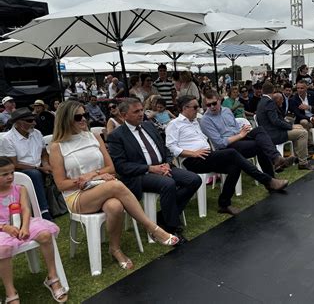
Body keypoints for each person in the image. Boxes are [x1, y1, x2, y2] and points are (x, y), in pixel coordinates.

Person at [49, 100, 180, 270]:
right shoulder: (57, 147)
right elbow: (61, 184)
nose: (83, 120)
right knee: (115, 186)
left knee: (115, 207)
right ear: (65, 119)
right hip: (77, 196)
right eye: (78, 117)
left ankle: (115, 249)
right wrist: (88, 178)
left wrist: (94, 174)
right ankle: (152, 228)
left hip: (101, 187)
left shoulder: (94, 137)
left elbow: (111, 168)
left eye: (86, 115)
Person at [166, 95, 289, 215]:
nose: (198, 109)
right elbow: (171, 147)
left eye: (198, 106)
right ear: (184, 108)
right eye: (195, 107)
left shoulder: (194, 122)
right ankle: (267, 180)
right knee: (232, 153)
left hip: (208, 155)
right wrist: (193, 153)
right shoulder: (175, 124)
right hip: (193, 159)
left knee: (234, 167)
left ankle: (224, 204)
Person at [107, 98, 201, 236]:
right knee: (168, 183)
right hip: (140, 175)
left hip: (163, 167)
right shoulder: (116, 136)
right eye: (136, 111)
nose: (141, 114)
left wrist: (167, 164)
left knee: (194, 180)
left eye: (141, 110)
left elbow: (165, 149)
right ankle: (172, 228)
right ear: (123, 114)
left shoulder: (148, 126)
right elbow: (121, 167)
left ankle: (163, 216)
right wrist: (150, 169)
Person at [0, 157, 68, 304]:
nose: (10, 177)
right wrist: (5, 227)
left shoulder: (19, 189)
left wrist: (24, 226)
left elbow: (25, 209)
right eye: (4, 174)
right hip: (1, 229)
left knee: (44, 234)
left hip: (24, 222)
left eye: (11, 172)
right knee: (3, 249)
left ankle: (52, 277)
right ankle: (10, 292)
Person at [200, 90, 294, 179]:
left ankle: (276, 158)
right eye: (208, 105)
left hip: (239, 137)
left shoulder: (226, 111)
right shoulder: (206, 120)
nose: (212, 107)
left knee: (259, 130)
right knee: (260, 145)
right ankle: (271, 176)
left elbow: (235, 127)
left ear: (219, 100)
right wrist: (240, 135)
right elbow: (220, 143)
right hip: (227, 147)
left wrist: (243, 130)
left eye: (214, 103)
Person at [1, 108, 52, 220]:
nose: (34, 123)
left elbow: (44, 153)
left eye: (34, 119)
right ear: (18, 123)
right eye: (29, 120)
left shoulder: (37, 133)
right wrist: (39, 168)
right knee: (35, 174)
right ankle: (43, 211)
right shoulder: (7, 139)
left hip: (39, 167)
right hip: (20, 170)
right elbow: (14, 164)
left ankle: (67, 204)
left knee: (57, 166)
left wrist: (46, 164)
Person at [256, 82, 314, 170]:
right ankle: (303, 162)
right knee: (303, 133)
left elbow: (274, 121)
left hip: (268, 133)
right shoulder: (269, 102)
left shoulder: (261, 102)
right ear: (273, 91)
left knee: (300, 128)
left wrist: (291, 126)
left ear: (263, 90)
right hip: (274, 134)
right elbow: (275, 121)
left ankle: (299, 157)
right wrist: (291, 126)